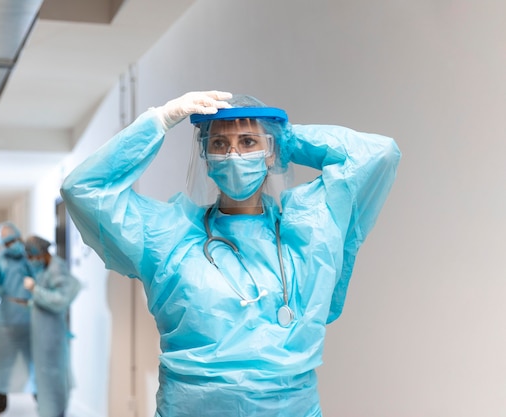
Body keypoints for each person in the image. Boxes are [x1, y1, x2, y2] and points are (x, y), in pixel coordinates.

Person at [60, 91, 401, 417]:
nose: (234, 155)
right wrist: (158, 121)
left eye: (248, 142)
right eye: (220, 144)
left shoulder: (308, 231)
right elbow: (83, 189)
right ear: (206, 158)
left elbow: (379, 153)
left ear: (271, 153)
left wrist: (287, 138)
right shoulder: (170, 235)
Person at [0, 221, 35, 417]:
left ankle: (44, 401)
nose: (12, 245)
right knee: (1, 363)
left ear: (19, 237)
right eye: (7, 242)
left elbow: (41, 281)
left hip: (29, 318)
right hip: (6, 320)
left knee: (35, 362)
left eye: (13, 240)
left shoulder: (29, 258)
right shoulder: (0, 260)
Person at [23, 235, 81, 417]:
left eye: (32, 256)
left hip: (52, 336)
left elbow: (60, 300)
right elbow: (47, 296)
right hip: (42, 335)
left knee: (54, 378)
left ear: (40, 253)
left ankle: (56, 412)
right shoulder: (44, 269)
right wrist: (32, 302)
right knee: (44, 379)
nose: (31, 261)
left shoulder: (56, 267)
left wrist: (35, 290)